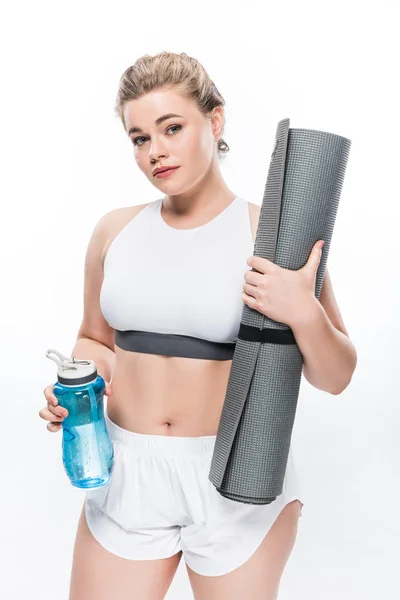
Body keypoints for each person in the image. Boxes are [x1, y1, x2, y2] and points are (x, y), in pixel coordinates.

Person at [39, 51, 356, 600]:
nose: (156, 151)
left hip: (235, 476)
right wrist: (80, 385)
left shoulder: (272, 235)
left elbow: (337, 375)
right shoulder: (114, 233)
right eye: (140, 138)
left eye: (171, 128)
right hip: (124, 472)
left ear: (214, 121)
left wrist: (302, 309)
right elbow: (95, 338)